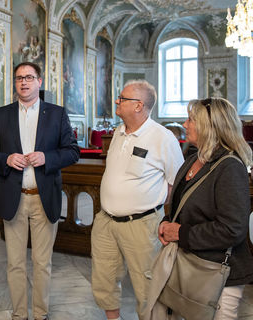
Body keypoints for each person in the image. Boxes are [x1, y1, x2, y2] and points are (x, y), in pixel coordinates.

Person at [0, 62, 80, 320]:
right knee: (15, 263)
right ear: (15, 83)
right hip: (14, 198)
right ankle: (18, 315)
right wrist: (5, 159)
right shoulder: (2, 114)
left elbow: (72, 151)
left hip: (43, 198)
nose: (24, 82)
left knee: (42, 263)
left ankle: (40, 314)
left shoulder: (56, 114)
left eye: (29, 77)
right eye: (19, 78)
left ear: (40, 81)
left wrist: (47, 158)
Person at [90, 80, 184, 320]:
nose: (116, 101)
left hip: (142, 225)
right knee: (105, 279)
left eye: (122, 98)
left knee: (148, 286)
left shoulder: (162, 138)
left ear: (139, 106)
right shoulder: (118, 133)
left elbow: (177, 184)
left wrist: (163, 215)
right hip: (106, 222)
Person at [159, 97, 253, 320]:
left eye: (191, 119)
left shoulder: (230, 166)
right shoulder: (193, 159)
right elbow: (180, 206)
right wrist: (166, 222)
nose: (184, 124)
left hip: (218, 272)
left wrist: (180, 233)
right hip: (189, 263)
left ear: (209, 126)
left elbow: (232, 229)